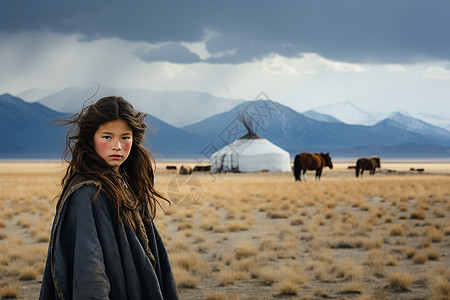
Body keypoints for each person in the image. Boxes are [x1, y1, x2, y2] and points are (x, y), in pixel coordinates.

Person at [39, 96, 178, 299]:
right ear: (91, 138)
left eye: (125, 137)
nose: (117, 146)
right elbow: (90, 275)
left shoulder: (127, 185)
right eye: (107, 137)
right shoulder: (86, 194)